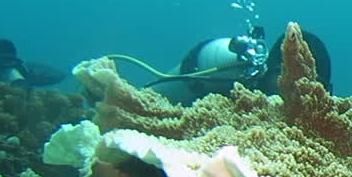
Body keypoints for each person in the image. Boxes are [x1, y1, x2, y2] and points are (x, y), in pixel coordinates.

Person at [131, 25, 332, 104]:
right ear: (263, 73)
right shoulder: (234, 86)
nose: (296, 88)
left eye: (311, 82)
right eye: (283, 74)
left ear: (328, 92)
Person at [0, 39, 68, 87]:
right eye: (1, 61)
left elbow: (59, 76)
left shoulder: (27, 69)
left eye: (10, 61)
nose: (7, 66)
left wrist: (29, 77)